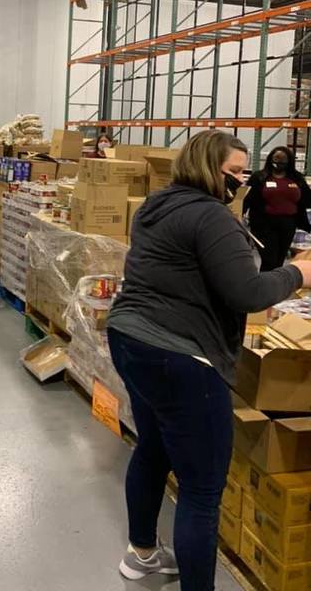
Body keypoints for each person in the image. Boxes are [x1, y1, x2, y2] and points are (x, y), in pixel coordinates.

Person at [106, 130, 311, 591]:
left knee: (154, 449)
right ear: (208, 168)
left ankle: (142, 554)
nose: (241, 180)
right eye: (235, 172)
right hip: (180, 357)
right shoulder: (211, 216)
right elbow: (248, 292)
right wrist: (299, 271)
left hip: (130, 339)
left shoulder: (159, 206)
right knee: (201, 490)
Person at [244, 145, 311, 271]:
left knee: (279, 260)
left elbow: (307, 199)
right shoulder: (259, 177)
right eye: (276, 159)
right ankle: (264, 286)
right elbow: (246, 199)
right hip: (263, 225)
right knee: (269, 259)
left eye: (282, 160)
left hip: (288, 225)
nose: (279, 163)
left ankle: (275, 285)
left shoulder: (296, 178)